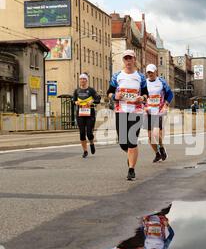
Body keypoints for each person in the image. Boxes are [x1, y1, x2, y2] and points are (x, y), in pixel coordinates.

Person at [107, 49, 148, 181]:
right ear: (123, 60)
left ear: (134, 59)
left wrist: (142, 98)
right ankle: (131, 155)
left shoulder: (140, 77)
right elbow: (109, 92)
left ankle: (131, 169)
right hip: (121, 111)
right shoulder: (117, 76)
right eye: (126, 58)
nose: (128, 61)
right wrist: (114, 96)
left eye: (130, 58)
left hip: (136, 112)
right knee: (123, 143)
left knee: (132, 141)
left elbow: (146, 94)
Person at [144, 64, 173, 162]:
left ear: (155, 71)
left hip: (159, 111)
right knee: (149, 136)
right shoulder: (144, 83)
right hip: (148, 112)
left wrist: (166, 104)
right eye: (148, 72)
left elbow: (170, 94)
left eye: (152, 72)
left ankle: (161, 147)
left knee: (156, 134)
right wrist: (144, 106)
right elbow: (141, 96)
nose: (150, 74)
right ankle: (157, 154)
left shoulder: (161, 82)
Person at [72, 73, 101, 158]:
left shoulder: (91, 90)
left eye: (84, 79)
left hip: (90, 114)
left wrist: (92, 101)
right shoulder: (76, 91)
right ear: (79, 80)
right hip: (80, 114)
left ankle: (91, 143)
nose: (82, 80)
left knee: (89, 133)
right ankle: (85, 151)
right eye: (81, 79)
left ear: (87, 80)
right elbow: (73, 100)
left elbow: (98, 99)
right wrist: (75, 102)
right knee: (82, 133)